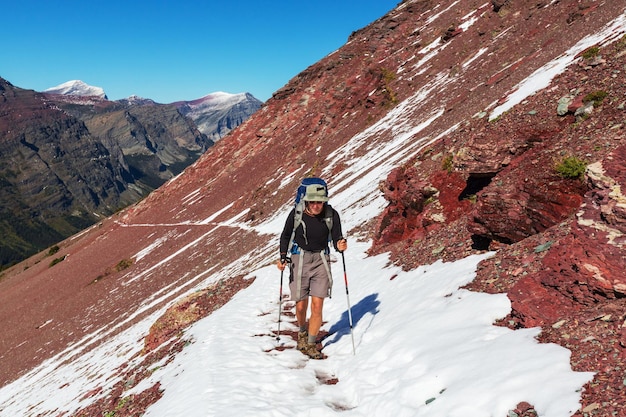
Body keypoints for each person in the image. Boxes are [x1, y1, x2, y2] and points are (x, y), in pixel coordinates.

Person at [277, 182, 347, 359]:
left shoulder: (332, 215)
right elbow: (286, 235)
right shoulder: (296, 214)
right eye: (313, 202)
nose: (316, 206)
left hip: (321, 260)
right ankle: (302, 331)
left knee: (317, 305)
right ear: (306, 201)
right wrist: (283, 256)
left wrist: (340, 245)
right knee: (300, 304)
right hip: (299, 258)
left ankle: (310, 343)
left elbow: (337, 236)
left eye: (320, 202)